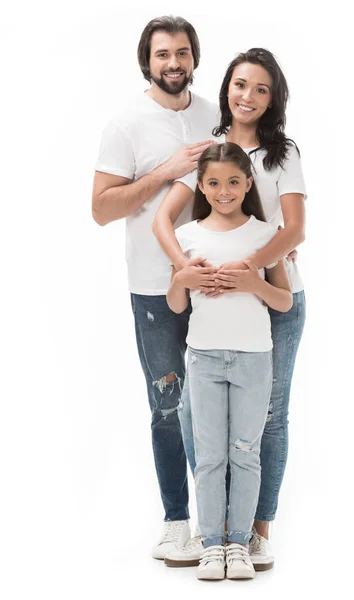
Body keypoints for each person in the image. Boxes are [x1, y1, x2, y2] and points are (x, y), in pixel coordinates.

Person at [153, 48, 306, 570]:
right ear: (227, 89)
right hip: (212, 309)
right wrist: (190, 273)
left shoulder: (282, 153)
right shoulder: (209, 153)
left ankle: (254, 532)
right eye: (241, 85)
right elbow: (164, 223)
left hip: (267, 300)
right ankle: (213, 530)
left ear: (273, 98)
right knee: (204, 424)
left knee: (269, 419)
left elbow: (294, 230)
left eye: (262, 88)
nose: (248, 96)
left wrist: (250, 270)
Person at [91, 15, 219, 559]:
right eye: (163, 54)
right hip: (153, 286)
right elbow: (100, 209)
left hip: (217, 280)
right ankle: (176, 521)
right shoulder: (126, 124)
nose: (174, 63)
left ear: (194, 58)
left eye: (182, 52)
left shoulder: (214, 114)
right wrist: (164, 172)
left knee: (216, 403)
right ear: (148, 61)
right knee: (168, 403)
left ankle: (220, 523)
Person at [167, 142, 292, 580]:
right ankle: (212, 545)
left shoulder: (265, 235)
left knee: (245, 452)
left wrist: (250, 284)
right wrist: (181, 276)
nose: (224, 191)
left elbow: (283, 301)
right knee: (209, 456)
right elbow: (177, 306)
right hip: (202, 359)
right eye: (214, 183)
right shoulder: (188, 236)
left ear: (248, 184)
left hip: (253, 360)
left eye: (233, 182)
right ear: (201, 186)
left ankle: (238, 543)